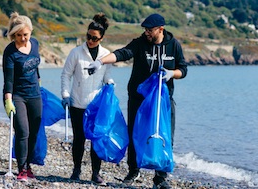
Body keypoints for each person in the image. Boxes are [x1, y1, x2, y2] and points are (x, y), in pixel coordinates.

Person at [86, 13, 187, 189]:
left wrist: (172, 74)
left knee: (165, 136)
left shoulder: (173, 45)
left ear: (160, 29)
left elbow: (183, 69)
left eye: (150, 29)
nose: (146, 32)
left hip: (162, 102)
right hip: (139, 99)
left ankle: (160, 177)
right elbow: (122, 53)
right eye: (145, 29)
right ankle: (133, 171)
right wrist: (101, 62)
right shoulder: (140, 43)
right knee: (135, 134)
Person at [60, 13, 113, 184]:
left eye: (94, 38)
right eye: (88, 37)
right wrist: (65, 95)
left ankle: (95, 173)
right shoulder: (76, 52)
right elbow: (66, 75)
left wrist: (110, 84)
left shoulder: (106, 55)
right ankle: (76, 170)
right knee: (79, 139)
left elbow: (106, 77)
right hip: (77, 103)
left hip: (96, 105)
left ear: (102, 38)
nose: (90, 40)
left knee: (96, 139)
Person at [2, 12, 42, 182]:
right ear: (13, 35)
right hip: (17, 95)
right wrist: (8, 100)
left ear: (31, 32)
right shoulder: (10, 52)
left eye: (25, 35)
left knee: (34, 132)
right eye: (18, 35)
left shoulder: (35, 44)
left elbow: (36, 69)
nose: (23, 39)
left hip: (35, 94)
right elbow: (8, 79)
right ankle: (22, 169)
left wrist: (40, 85)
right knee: (23, 132)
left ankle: (28, 165)